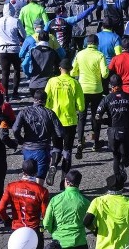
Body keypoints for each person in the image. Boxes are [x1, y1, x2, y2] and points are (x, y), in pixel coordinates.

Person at [44, 58, 84, 186]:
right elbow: (81, 106)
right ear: (71, 70)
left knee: (56, 147)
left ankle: (53, 165)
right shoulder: (74, 83)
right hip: (69, 121)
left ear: (60, 68)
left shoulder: (52, 81)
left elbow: (45, 100)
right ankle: (64, 180)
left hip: (54, 120)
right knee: (67, 150)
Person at [12, 89, 63, 186]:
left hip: (27, 149)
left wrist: (20, 140)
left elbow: (15, 129)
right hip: (42, 150)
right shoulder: (50, 113)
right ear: (46, 100)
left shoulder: (24, 112)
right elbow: (60, 133)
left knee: (28, 174)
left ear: (34, 99)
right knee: (39, 180)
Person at [70, 34, 109, 158]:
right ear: (97, 44)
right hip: (96, 90)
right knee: (95, 116)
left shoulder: (80, 54)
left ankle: (80, 141)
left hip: (82, 89)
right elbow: (105, 74)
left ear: (87, 43)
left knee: (81, 117)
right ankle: (96, 142)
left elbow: (72, 72)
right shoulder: (100, 55)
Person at [96, 74, 129, 182]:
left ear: (112, 86)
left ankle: (117, 180)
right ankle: (122, 165)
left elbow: (97, 115)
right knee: (127, 158)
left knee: (115, 156)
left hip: (113, 131)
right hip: (126, 130)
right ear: (121, 85)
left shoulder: (107, 99)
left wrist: (105, 121)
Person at [0, 159, 49, 249]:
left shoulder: (11, 187)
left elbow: (0, 209)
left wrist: (7, 220)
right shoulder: (42, 191)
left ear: (22, 171)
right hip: (34, 229)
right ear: (36, 172)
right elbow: (45, 214)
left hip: (17, 229)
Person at [83, 175, 129, 249]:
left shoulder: (97, 201)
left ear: (107, 187)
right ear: (122, 188)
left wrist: (95, 229)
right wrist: (128, 223)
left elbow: (86, 222)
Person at [43, 170, 89, 249]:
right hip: (79, 242)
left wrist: (54, 232)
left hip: (60, 243)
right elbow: (90, 222)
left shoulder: (55, 200)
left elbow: (46, 223)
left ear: (66, 182)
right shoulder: (85, 202)